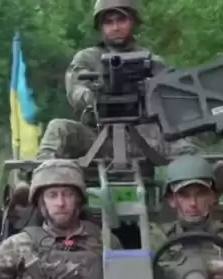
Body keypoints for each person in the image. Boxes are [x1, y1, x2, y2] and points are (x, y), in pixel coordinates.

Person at [35, 0, 200, 161]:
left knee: (185, 135)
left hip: (147, 138)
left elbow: (174, 99)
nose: (115, 27)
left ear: (133, 21)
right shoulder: (88, 58)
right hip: (98, 139)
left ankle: (196, 176)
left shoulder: (150, 61)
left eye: (121, 20)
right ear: (100, 27)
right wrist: (89, 96)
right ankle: (42, 175)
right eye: (108, 22)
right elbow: (76, 88)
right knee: (58, 128)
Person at [0, 159, 122, 279]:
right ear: (41, 202)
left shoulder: (105, 241)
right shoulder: (22, 244)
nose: (60, 203)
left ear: (78, 200)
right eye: (52, 195)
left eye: (68, 194)